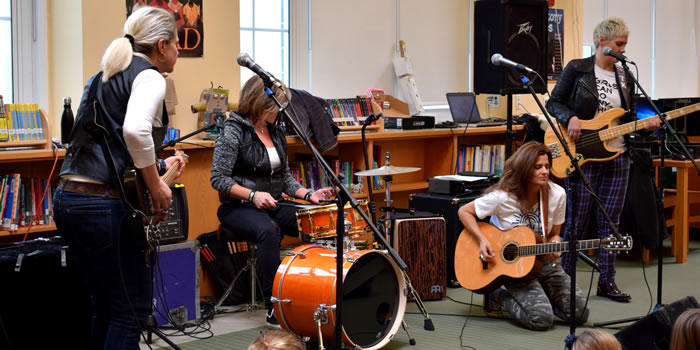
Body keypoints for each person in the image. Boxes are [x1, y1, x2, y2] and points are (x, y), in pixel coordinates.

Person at [52, 6, 184, 349]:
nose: (178, 51)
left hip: (68, 201)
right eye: (176, 43)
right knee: (131, 311)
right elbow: (136, 131)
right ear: (161, 45)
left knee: (105, 307)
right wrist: (156, 183)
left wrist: (156, 167)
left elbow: (111, 140)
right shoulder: (151, 75)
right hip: (101, 208)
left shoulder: (101, 77)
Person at [546, 17, 660, 302]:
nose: (623, 50)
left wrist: (644, 122)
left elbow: (627, 114)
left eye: (625, 44)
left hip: (617, 154)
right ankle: (566, 283)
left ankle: (607, 282)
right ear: (602, 42)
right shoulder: (577, 68)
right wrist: (570, 117)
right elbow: (553, 102)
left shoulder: (624, 74)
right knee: (577, 221)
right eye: (618, 44)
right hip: (584, 154)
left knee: (611, 221)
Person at [210, 75, 334, 328]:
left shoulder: (276, 132)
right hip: (237, 207)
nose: (279, 111)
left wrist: (309, 195)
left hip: (274, 203)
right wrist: (253, 195)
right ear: (258, 103)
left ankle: (321, 294)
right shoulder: (233, 130)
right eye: (275, 106)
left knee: (320, 221)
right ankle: (274, 306)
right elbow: (218, 179)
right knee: (269, 231)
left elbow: (285, 178)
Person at [457, 142, 589, 331]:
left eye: (546, 166)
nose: (544, 171)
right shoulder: (503, 197)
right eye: (538, 167)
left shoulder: (557, 194)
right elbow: (464, 212)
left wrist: (555, 244)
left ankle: (542, 298)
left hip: (545, 264)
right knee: (541, 319)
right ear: (525, 168)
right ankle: (496, 295)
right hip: (513, 268)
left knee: (580, 315)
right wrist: (482, 239)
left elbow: (555, 235)